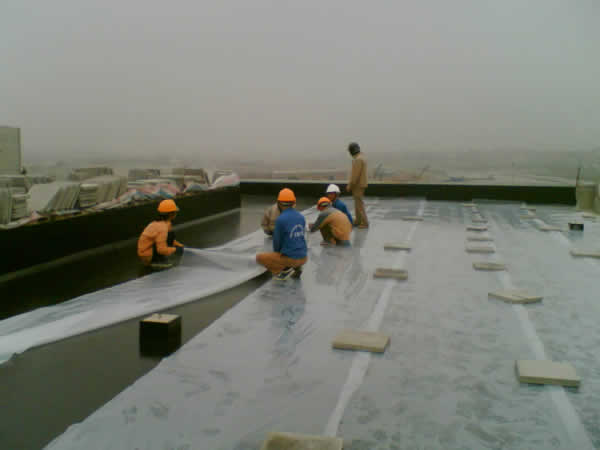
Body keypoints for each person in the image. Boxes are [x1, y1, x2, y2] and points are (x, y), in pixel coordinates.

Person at [256, 188, 307, 280]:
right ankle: (297, 267)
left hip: (291, 260)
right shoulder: (301, 217)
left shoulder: (280, 219)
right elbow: (301, 237)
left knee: (259, 257)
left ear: (278, 203)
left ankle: (283, 271)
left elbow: (277, 244)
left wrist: (277, 258)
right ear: (294, 202)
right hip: (304, 257)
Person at [137, 199, 184, 266]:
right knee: (170, 235)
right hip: (147, 255)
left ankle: (159, 258)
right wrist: (176, 250)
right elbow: (161, 250)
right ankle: (157, 261)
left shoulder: (161, 223)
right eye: (175, 212)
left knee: (170, 234)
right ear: (171, 214)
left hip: (147, 252)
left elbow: (169, 240)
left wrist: (180, 246)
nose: (176, 214)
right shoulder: (162, 227)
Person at [346, 142, 369, 228]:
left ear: (352, 151)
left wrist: (350, 185)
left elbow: (355, 176)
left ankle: (364, 222)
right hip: (360, 184)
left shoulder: (358, 160)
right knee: (357, 204)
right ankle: (358, 220)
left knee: (359, 204)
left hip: (358, 185)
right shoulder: (361, 157)